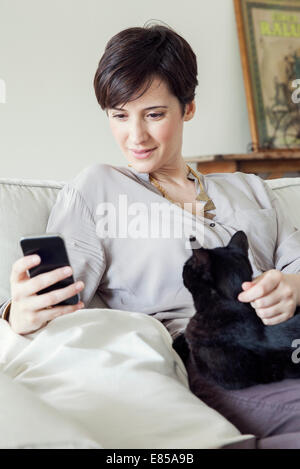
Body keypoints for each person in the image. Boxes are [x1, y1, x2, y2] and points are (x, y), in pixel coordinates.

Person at [2, 22, 300, 449]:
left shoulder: (249, 188)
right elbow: (59, 304)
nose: (135, 136)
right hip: (221, 357)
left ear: (188, 108)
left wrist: (290, 286)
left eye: (154, 115)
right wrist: (18, 314)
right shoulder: (98, 189)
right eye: (119, 116)